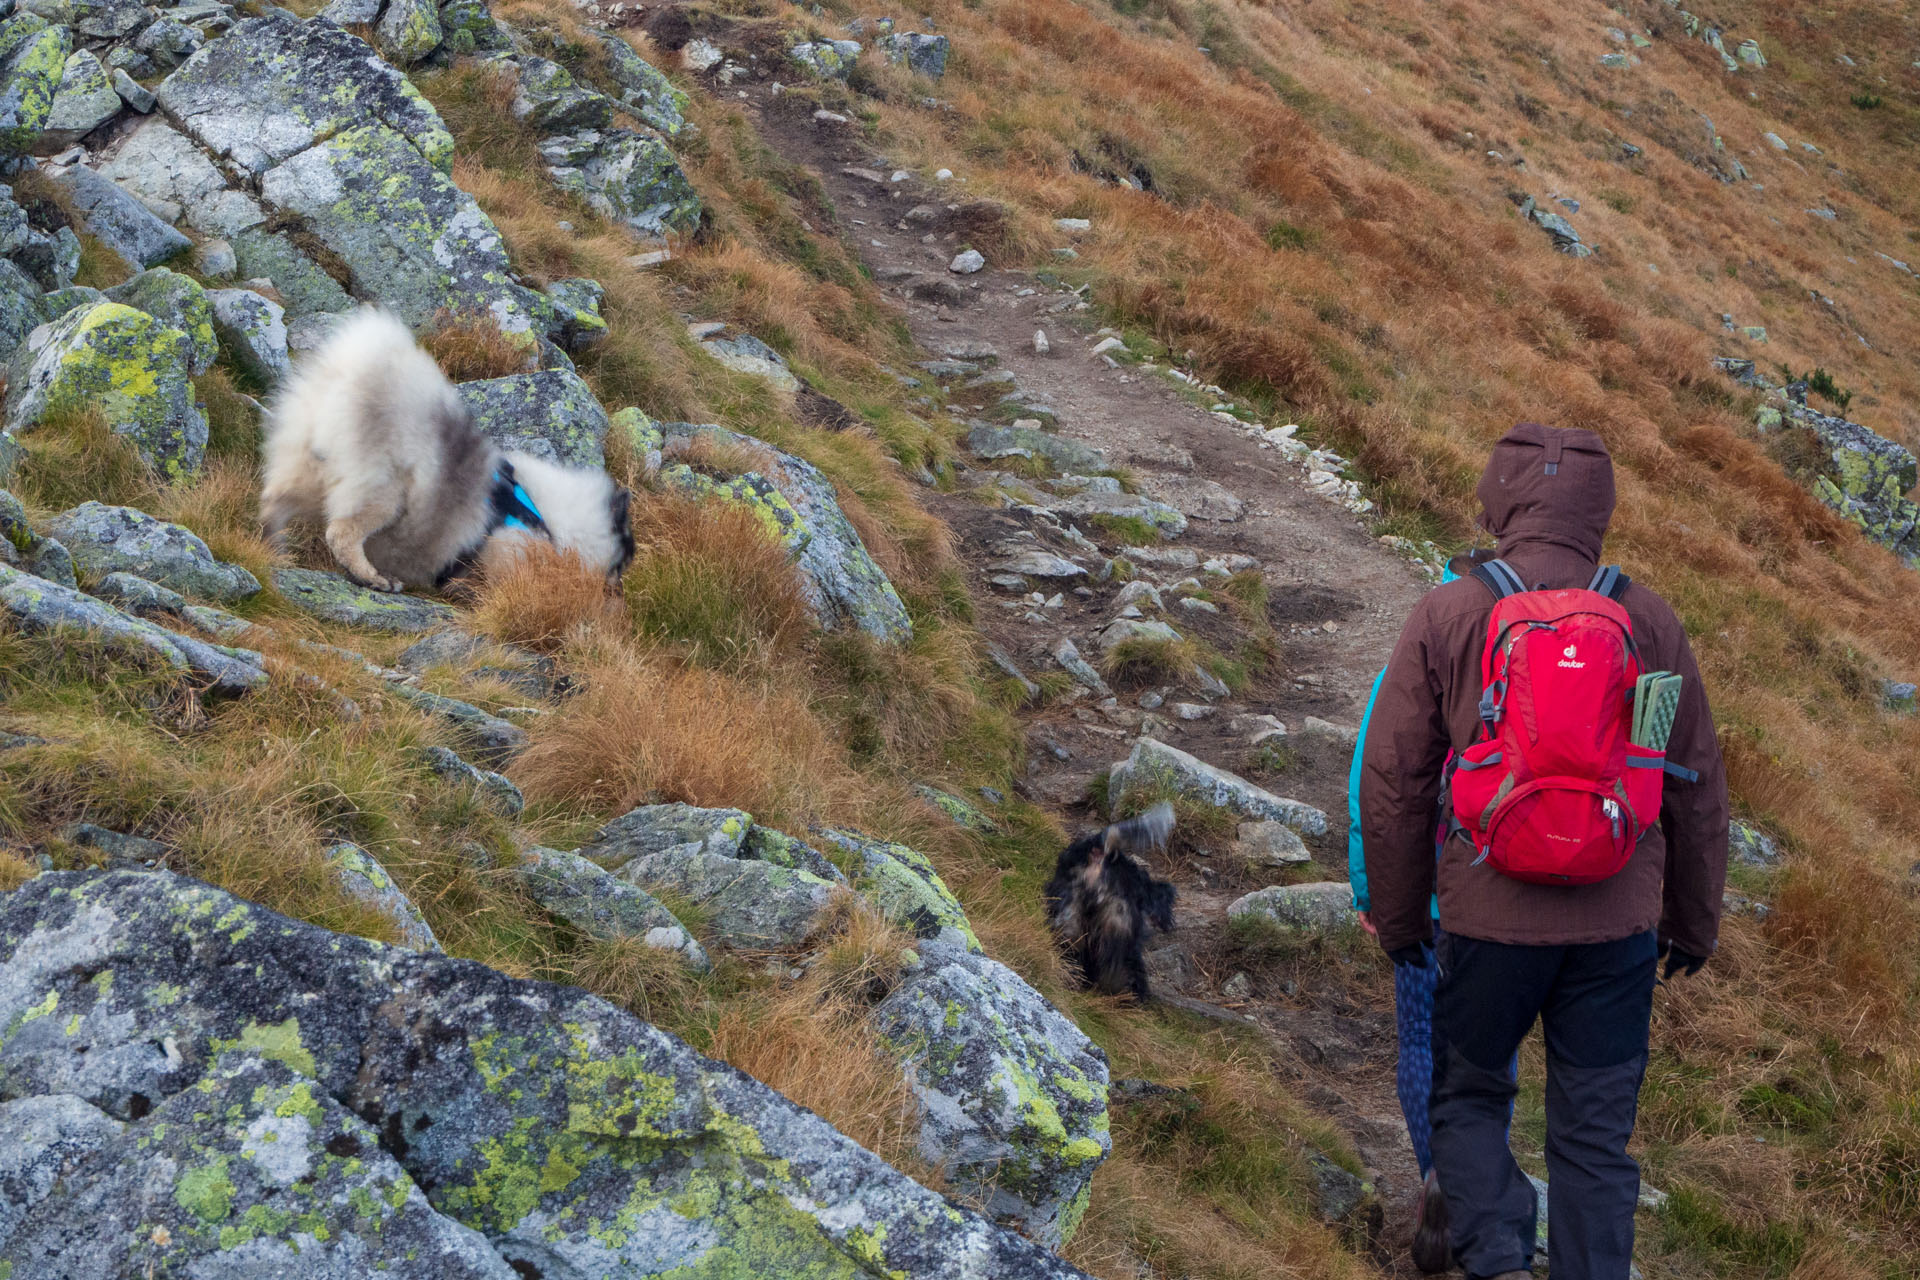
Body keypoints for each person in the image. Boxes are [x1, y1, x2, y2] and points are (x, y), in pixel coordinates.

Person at [1359, 423, 1729, 1280]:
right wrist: (1691, 924)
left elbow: (1396, 779)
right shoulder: (1647, 621)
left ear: (1500, 497)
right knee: (1595, 1142)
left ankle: (1496, 1260)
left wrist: (1403, 917)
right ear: (1599, 508)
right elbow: (1693, 783)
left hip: (1486, 922)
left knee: (1470, 1099)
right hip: (1616, 933)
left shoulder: (1451, 611)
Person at [1348, 551, 1513, 1274]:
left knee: (1419, 1039)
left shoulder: (1424, 641)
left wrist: (1371, 893)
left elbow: (1375, 784)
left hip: (1430, 896)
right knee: (1488, 1049)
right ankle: (1475, 1186)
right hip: (1505, 899)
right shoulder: (1535, 645)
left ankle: (1434, 1177)